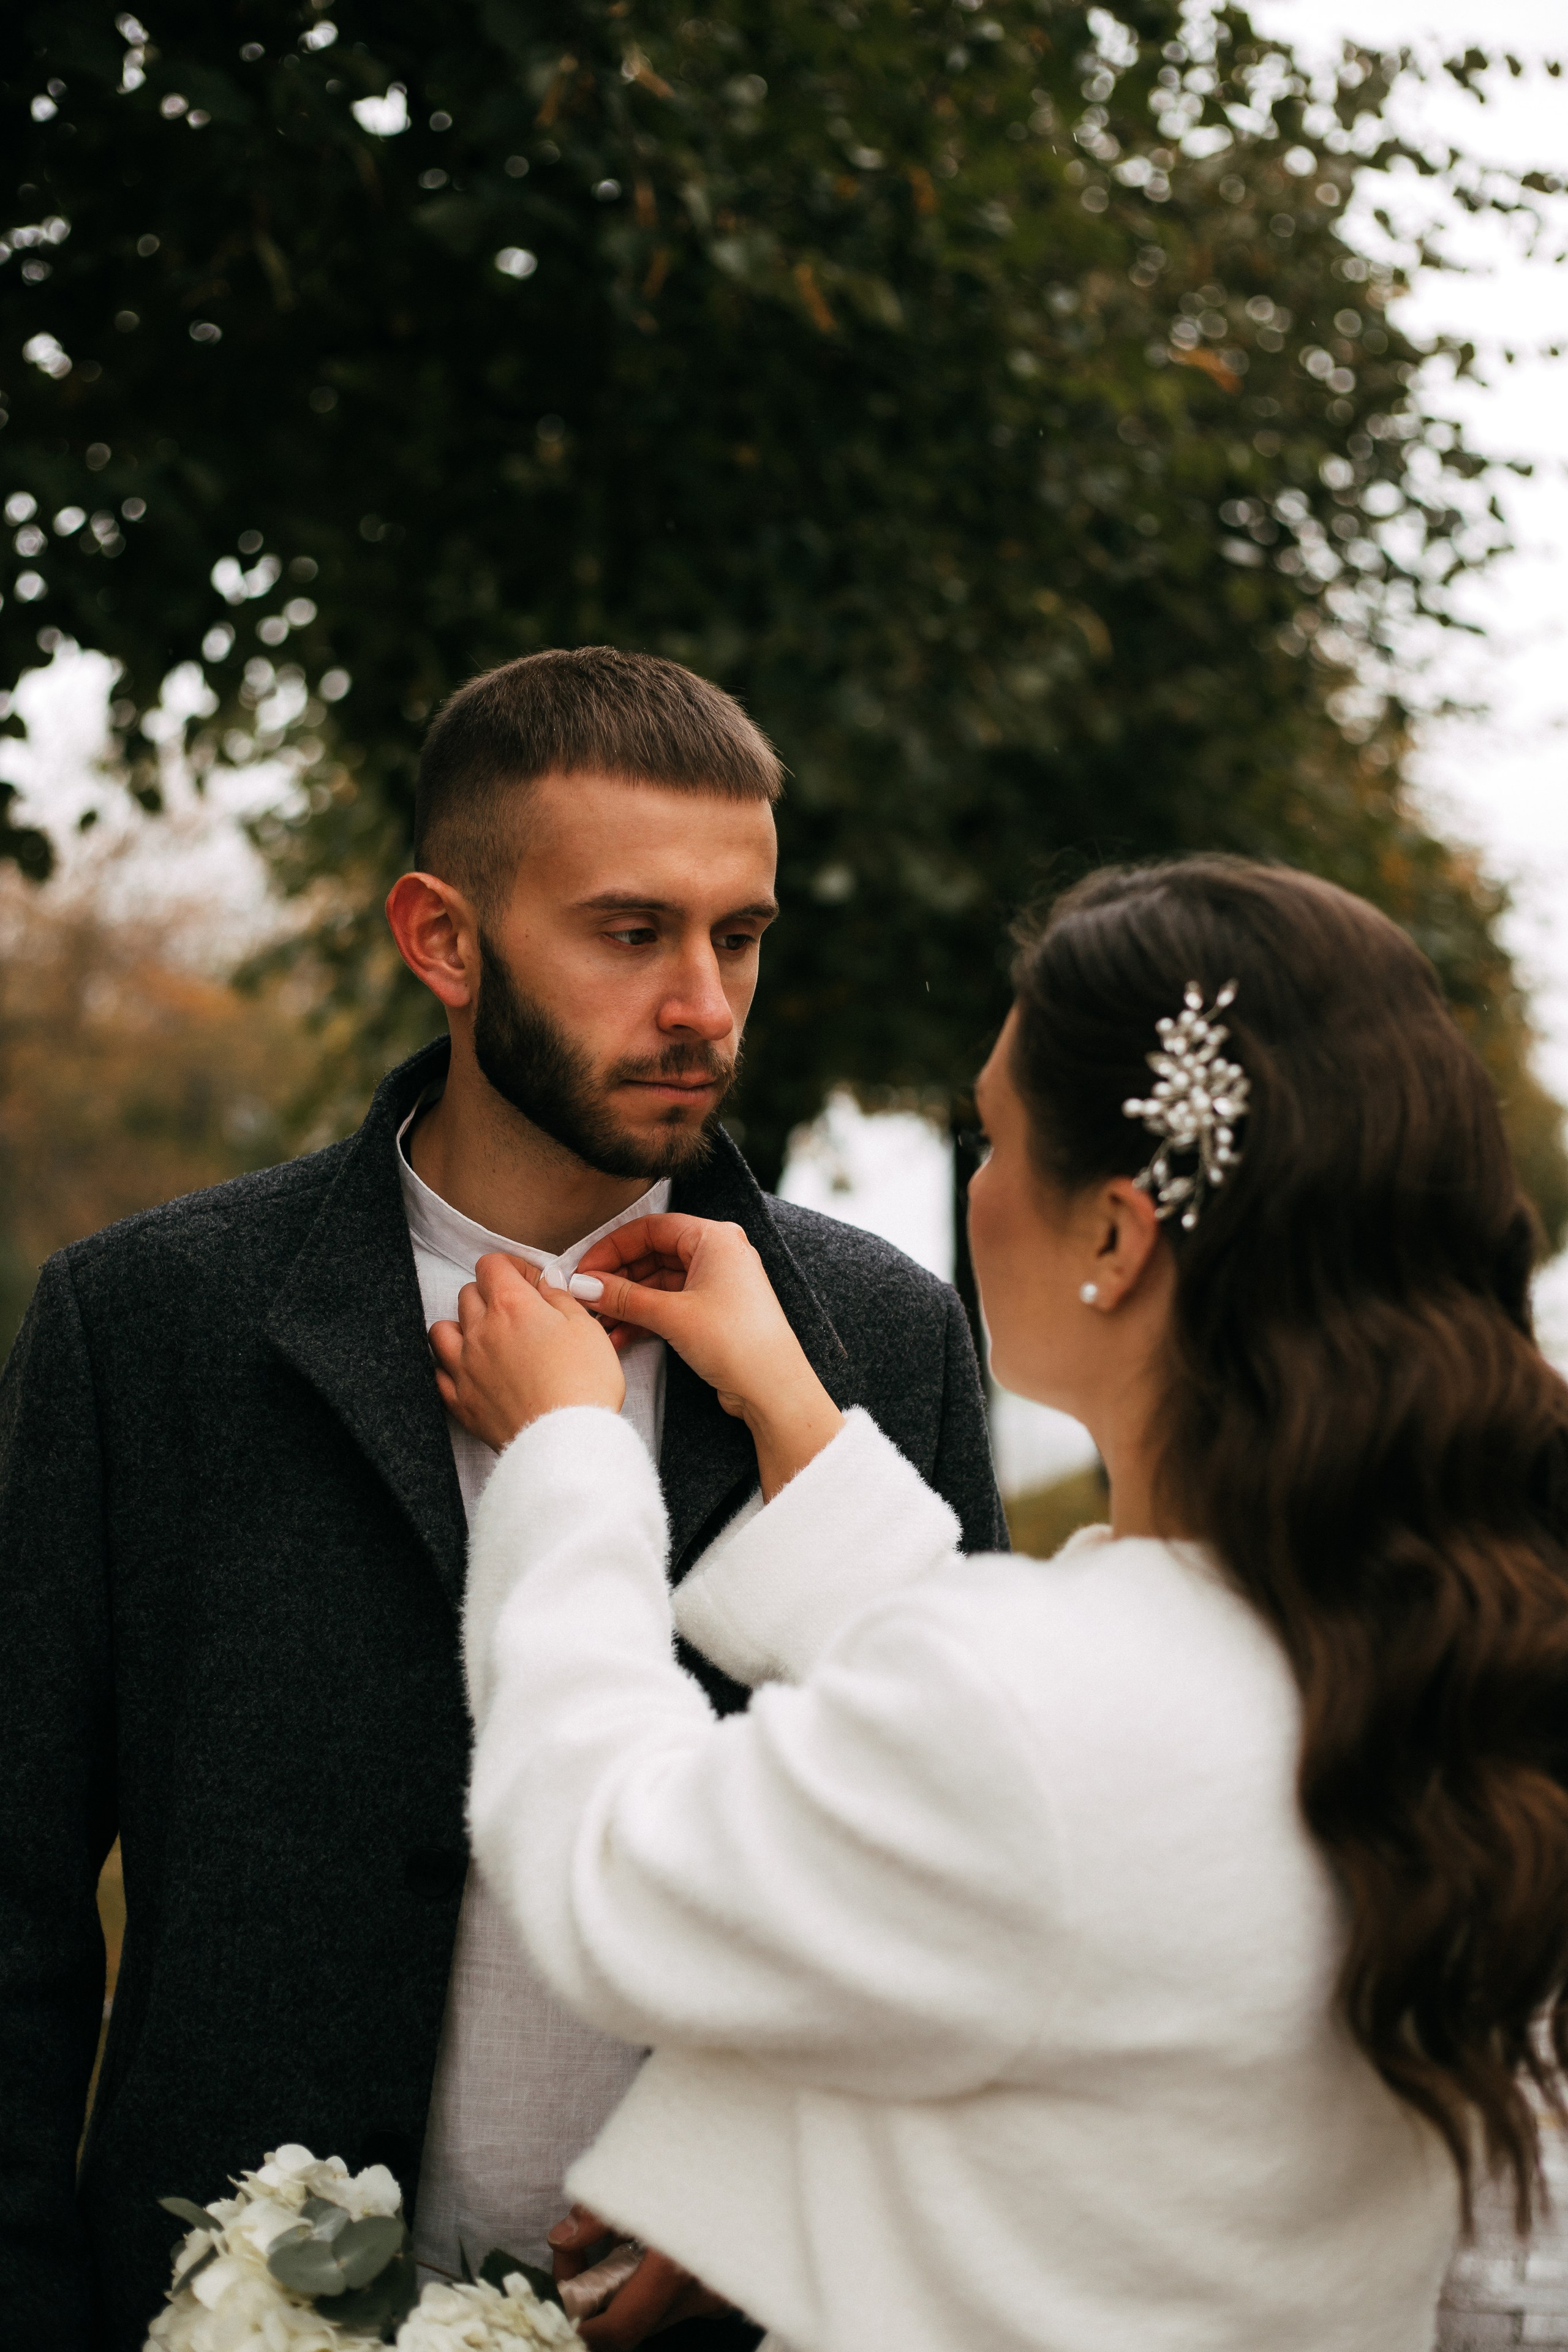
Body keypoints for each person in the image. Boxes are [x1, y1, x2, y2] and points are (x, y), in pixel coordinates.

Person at [0, 646, 1005, 2351]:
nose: (704, 1001)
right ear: (443, 940)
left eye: (739, 935)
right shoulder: (148, 1325)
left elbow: (960, 1904)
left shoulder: (882, 1341)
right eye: (632, 931)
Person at [442, 854, 1568, 2352]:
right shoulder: (1426, 1662)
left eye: (990, 1135)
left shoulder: (1041, 1707)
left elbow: (606, 1866)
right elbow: (1073, 1780)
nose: (971, 1183)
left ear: (1115, 1234)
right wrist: (791, 1407)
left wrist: (570, 1456)